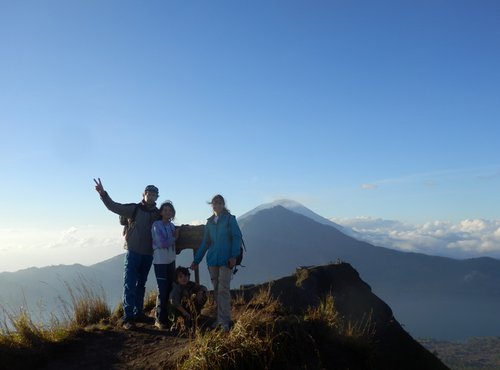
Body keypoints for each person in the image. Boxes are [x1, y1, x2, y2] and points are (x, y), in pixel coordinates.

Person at [94, 178, 160, 329]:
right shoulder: (134, 209)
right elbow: (113, 207)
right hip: (133, 252)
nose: (151, 196)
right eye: (149, 194)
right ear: (143, 194)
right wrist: (103, 194)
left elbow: (167, 223)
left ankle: (138, 313)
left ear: (157, 197)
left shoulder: (157, 213)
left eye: (154, 195)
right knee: (130, 284)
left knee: (141, 285)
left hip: (148, 254)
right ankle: (128, 318)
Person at [190, 194, 242, 332]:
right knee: (218, 290)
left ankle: (225, 322)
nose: (216, 205)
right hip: (212, 260)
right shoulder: (210, 222)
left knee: (223, 290)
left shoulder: (230, 220)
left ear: (223, 205)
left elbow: (237, 237)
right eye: (214, 203)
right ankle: (220, 320)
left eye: (219, 202)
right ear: (211, 205)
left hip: (226, 260)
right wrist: (196, 261)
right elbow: (206, 242)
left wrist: (233, 256)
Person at [151, 201, 178, 330]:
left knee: (169, 289)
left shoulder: (172, 226)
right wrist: (174, 238)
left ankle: (167, 317)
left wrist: (174, 237)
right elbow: (162, 243)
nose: (167, 212)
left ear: (172, 213)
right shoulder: (157, 225)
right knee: (163, 290)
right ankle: (159, 319)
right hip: (160, 262)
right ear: (161, 212)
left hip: (171, 260)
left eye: (170, 210)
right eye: (165, 210)